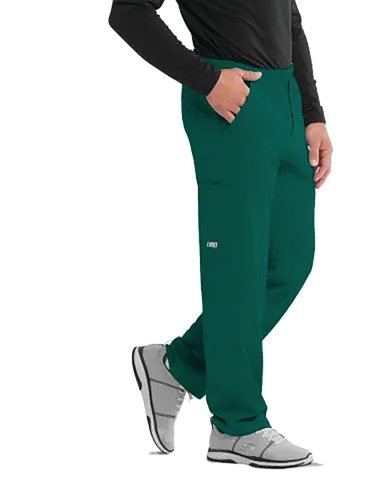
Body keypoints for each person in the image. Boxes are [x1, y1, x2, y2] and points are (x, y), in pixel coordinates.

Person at [109, 0, 332, 469]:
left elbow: (288, 15)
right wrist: (207, 80)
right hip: (231, 98)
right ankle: (237, 424)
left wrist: (312, 112)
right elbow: (128, 12)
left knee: (289, 260)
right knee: (237, 267)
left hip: (285, 98)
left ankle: (178, 365)